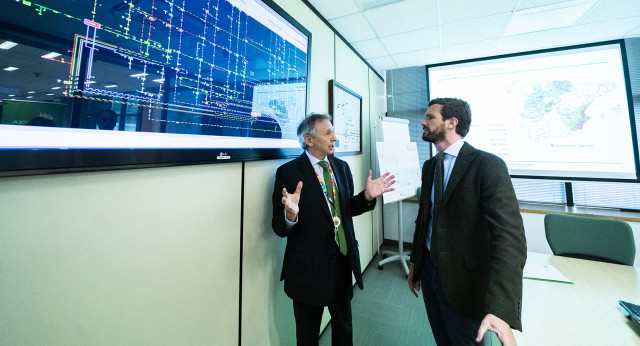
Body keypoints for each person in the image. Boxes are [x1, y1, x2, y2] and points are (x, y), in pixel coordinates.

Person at [408, 98, 527, 345]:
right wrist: (415, 263)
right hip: (430, 272)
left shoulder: (488, 165)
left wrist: (502, 308)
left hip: (466, 281)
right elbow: (425, 220)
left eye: (430, 117)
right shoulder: (430, 166)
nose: (423, 121)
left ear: (452, 123)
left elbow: (509, 238)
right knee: (442, 337)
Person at [272, 113, 395, 346]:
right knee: (307, 336)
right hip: (309, 270)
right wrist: (290, 215)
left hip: (342, 261)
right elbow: (278, 226)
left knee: (343, 327)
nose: (335, 138)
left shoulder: (341, 167)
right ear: (308, 140)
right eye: (328, 133)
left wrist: (367, 197)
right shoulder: (288, 173)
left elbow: (346, 210)